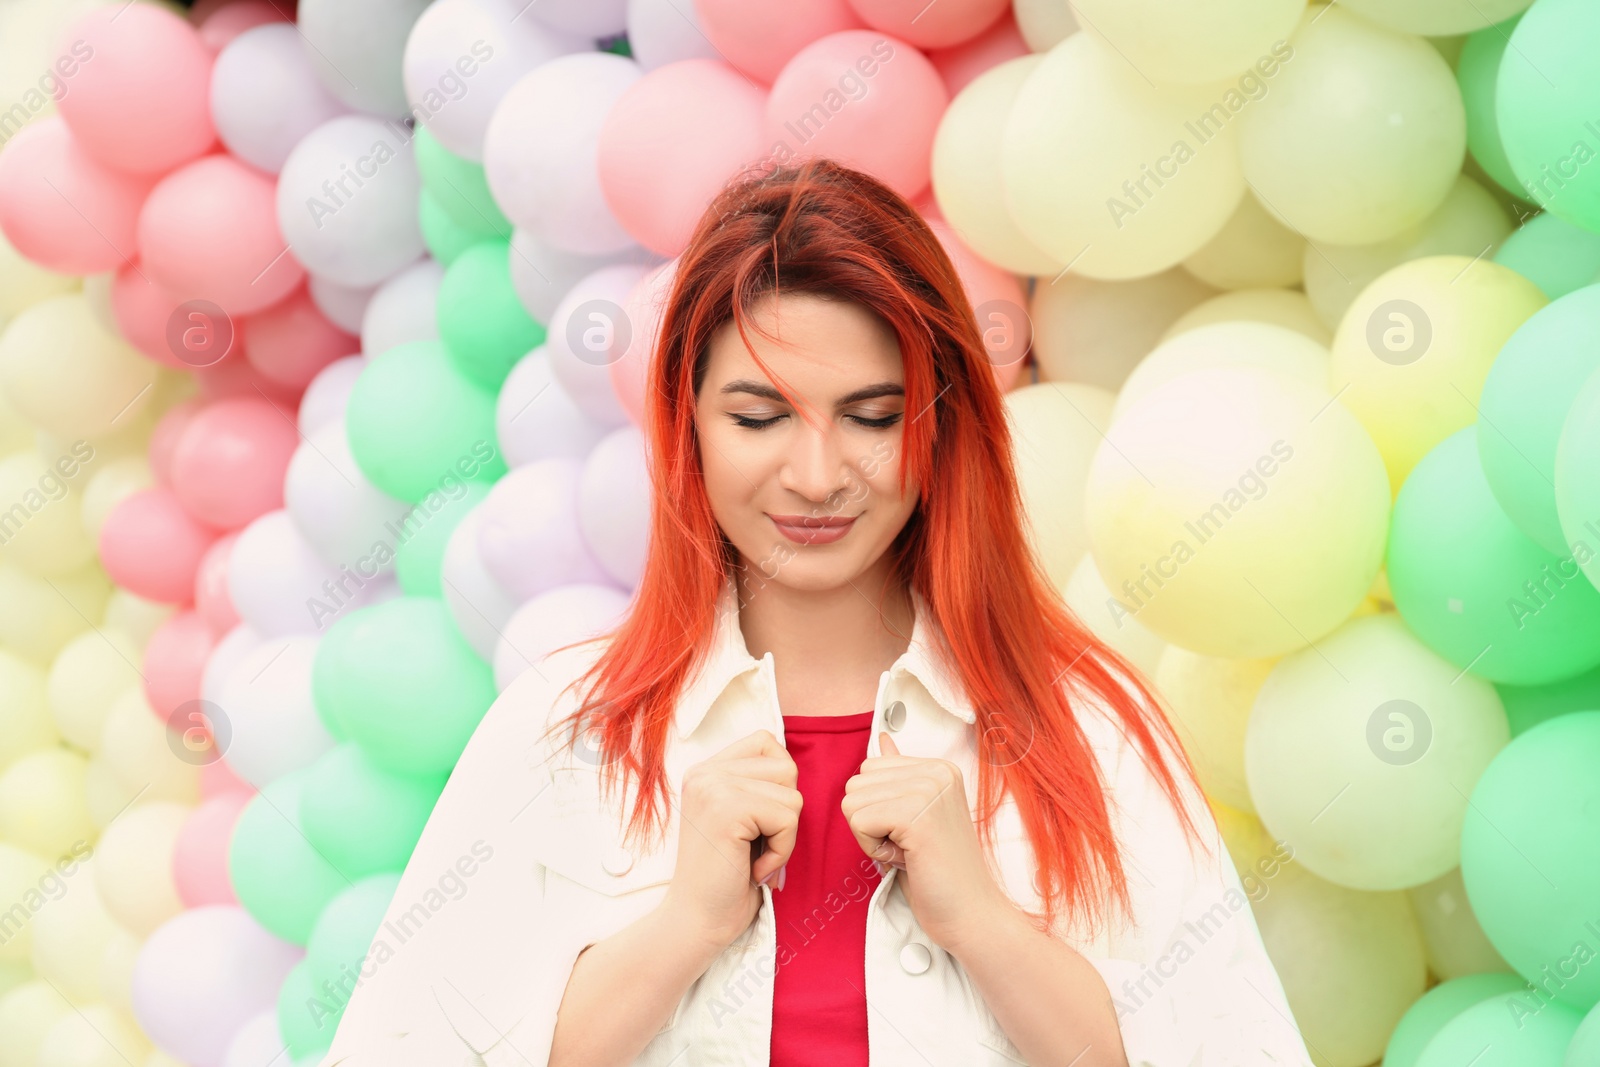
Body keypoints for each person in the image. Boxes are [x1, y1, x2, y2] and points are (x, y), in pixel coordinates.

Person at [317, 157, 1314, 1067]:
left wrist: (982, 923)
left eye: (873, 417)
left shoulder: (1084, 726)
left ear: (940, 423)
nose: (816, 473)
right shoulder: (564, 728)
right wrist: (682, 930)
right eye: (758, 417)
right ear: (687, 423)